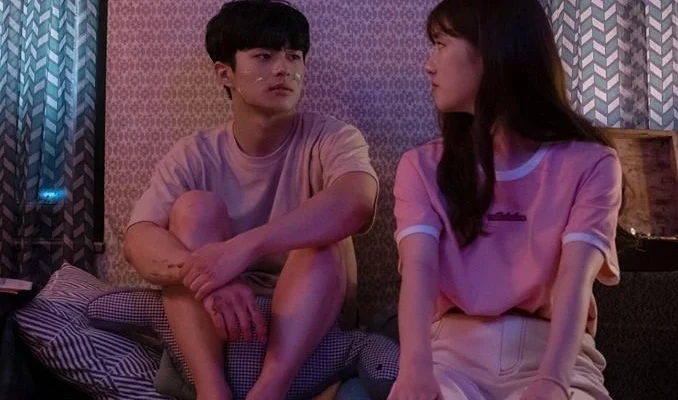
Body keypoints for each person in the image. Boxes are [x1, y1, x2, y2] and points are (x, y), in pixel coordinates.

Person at [123, 1, 379, 399]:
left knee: (321, 239)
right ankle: (212, 389)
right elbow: (138, 241)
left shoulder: (333, 138)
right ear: (224, 73)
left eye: (294, 56)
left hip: (311, 306)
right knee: (193, 209)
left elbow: (356, 204)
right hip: (214, 313)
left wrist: (242, 249)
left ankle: (269, 390)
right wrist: (212, 276)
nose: (283, 69)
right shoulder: (194, 153)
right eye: (263, 56)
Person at [388, 0, 622, 399]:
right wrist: (414, 369)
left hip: (552, 354)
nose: (428, 65)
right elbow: (419, 269)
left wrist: (552, 381)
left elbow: (575, 276)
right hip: (451, 354)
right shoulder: (421, 166)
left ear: (492, 51)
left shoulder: (592, 164)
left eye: (441, 44)